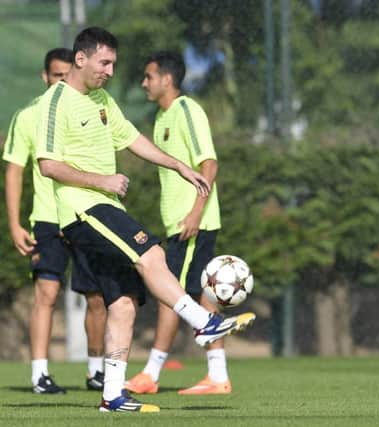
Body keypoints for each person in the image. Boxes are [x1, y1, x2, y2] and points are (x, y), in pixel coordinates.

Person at [34, 27, 255, 413]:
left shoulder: (102, 99)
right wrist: (102, 180)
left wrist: (181, 167)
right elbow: (49, 165)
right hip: (82, 210)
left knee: (123, 302)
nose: (110, 70)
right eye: (104, 62)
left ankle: (113, 395)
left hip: (105, 209)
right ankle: (203, 322)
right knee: (150, 252)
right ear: (81, 59)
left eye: (113, 64)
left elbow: (133, 139)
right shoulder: (56, 102)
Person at [125, 51, 230, 396]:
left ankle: (151, 374)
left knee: (170, 295)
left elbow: (209, 164)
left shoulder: (187, 110)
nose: (144, 83)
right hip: (181, 224)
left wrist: (195, 213)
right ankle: (218, 375)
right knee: (199, 295)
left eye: (148, 76)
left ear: (166, 80)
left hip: (192, 223)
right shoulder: (161, 116)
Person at [3, 48, 107, 394]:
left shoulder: (91, 108)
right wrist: (15, 223)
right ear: (45, 77)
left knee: (96, 295)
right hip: (48, 219)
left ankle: (97, 372)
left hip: (85, 214)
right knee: (46, 293)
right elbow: (15, 171)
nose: (62, 80)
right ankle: (39, 375)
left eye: (67, 74)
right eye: (57, 75)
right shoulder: (29, 115)